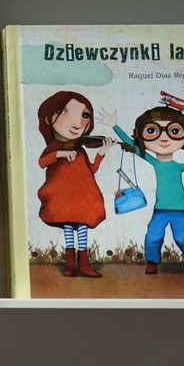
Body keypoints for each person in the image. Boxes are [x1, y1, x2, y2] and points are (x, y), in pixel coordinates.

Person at [36, 90, 116, 278]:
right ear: (48, 119)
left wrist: (102, 152)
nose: (77, 123)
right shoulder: (55, 147)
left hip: (82, 197)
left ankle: (84, 264)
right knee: (68, 228)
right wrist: (59, 154)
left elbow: (91, 169)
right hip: (63, 197)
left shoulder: (80, 149)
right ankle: (71, 264)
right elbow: (42, 162)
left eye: (84, 115)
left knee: (82, 227)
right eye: (63, 112)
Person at [110, 106, 184, 275]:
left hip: (181, 210)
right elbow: (132, 145)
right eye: (152, 131)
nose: (164, 139)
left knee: (182, 237)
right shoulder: (154, 162)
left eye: (173, 131)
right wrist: (114, 126)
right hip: (160, 209)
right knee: (153, 236)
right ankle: (152, 262)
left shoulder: (179, 166)